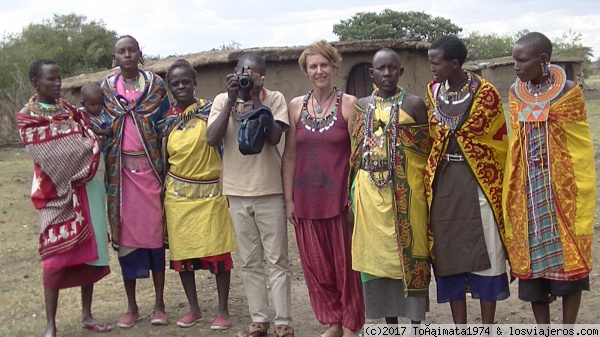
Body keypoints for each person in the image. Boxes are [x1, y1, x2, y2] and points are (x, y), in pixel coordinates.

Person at [504, 32, 595, 324]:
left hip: (562, 190)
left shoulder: (569, 92)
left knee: (568, 267)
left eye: (522, 60)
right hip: (527, 189)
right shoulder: (516, 93)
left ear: (543, 60)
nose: (516, 66)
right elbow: (518, 139)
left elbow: (577, 141)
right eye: (514, 60)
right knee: (532, 266)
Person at [17, 59, 111, 337]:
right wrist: (88, 145)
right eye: (51, 79)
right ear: (36, 83)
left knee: (90, 252)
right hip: (54, 192)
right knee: (54, 260)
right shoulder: (27, 117)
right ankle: (50, 324)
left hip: (87, 187)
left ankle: (87, 314)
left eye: (59, 78)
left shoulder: (70, 110)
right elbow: (53, 153)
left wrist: (86, 144)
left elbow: (85, 138)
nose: (58, 83)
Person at [206, 52, 293, 337]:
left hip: (270, 190)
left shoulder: (274, 99)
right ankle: (259, 320)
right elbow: (212, 139)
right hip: (237, 192)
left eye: (253, 73)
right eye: (243, 70)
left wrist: (256, 99)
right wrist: (232, 100)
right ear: (235, 71)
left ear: (262, 77)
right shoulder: (222, 101)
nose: (246, 75)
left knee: (277, 259)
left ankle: (283, 322)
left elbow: (273, 138)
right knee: (250, 260)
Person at [424, 35, 509, 324]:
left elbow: (497, 141)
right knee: (448, 254)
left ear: (455, 63)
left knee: (487, 247)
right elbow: (432, 140)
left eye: (436, 63)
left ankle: (487, 326)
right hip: (444, 183)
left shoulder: (485, 94)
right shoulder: (433, 93)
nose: (431, 68)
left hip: (479, 182)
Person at [282, 40, 364, 337]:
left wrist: (355, 197)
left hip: (339, 200)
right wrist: (289, 199)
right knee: (317, 266)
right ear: (306, 71)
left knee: (347, 266)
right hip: (306, 199)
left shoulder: (350, 105)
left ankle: (352, 323)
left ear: (334, 66)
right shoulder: (295, 106)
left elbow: (359, 155)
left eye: (324, 65)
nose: (319, 71)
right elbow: (290, 154)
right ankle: (333, 321)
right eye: (313, 66)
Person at [350, 48, 431, 329]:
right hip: (371, 195)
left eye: (392, 68)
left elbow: (424, 153)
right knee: (378, 259)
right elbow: (357, 152)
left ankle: (416, 325)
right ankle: (390, 325)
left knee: (408, 254)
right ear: (372, 73)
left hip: (407, 196)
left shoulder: (415, 104)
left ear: (401, 72)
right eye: (380, 69)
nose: (386, 74)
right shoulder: (362, 106)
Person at [161, 59, 237, 330]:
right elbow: (163, 161)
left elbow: (216, 140)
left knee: (218, 252)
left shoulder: (211, 112)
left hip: (209, 193)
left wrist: (229, 101)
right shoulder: (167, 123)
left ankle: (223, 310)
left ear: (195, 83)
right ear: (169, 87)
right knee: (183, 256)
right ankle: (193, 309)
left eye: (185, 82)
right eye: (175, 83)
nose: (181, 87)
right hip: (177, 196)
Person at [101, 35, 170, 328]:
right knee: (126, 239)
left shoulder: (155, 86)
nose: (127, 55)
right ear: (114, 57)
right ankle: (131, 306)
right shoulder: (106, 90)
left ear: (140, 54)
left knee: (155, 236)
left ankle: (159, 303)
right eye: (121, 51)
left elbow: (166, 124)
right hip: (121, 177)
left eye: (132, 50)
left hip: (151, 171)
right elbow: (98, 122)